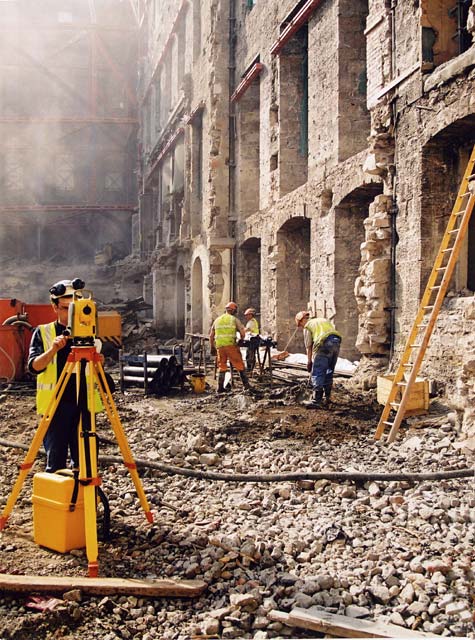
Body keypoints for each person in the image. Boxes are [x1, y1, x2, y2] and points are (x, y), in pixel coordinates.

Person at [28, 279, 103, 472]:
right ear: (54, 307)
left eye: (74, 307)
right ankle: (57, 500)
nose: (71, 313)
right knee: (56, 465)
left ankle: (82, 501)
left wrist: (98, 361)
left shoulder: (89, 333)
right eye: (65, 308)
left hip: (84, 405)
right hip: (56, 408)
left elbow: (98, 376)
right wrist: (53, 349)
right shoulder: (44, 332)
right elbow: (34, 367)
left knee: (86, 466)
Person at [295, 310, 342, 408]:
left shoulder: (308, 326)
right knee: (329, 370)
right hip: (336, 342)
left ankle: (316, 400)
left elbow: (308, 346)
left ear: (302, 320)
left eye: (300, 325)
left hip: (323, 343)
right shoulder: (322, 320)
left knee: (318, 371)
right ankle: (327, 397)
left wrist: (309, 361)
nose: (301, 327)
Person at [209, 301, 251, 392]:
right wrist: (241, 340)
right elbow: (242, 333)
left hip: (220, 346)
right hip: (231, 346)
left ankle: (220, 388)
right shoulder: (234, 319)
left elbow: (211, 336)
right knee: (239, 365)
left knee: (222, 366)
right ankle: (246, 386)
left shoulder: (217, 320)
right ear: (233, 310)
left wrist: (212, 347)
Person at [243, 307, 260, 372]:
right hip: (252, 340)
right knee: (250, 354)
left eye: (247, 315)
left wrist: (240, 330)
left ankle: (250, 369)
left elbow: (247, 330)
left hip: (253, 340)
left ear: (251, 315)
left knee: (250, 354)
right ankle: (250, 368)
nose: (246, 316)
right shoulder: (251, 321)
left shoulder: (252, 322)